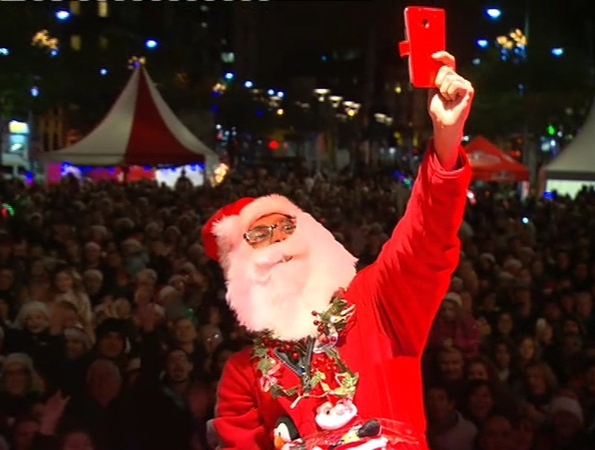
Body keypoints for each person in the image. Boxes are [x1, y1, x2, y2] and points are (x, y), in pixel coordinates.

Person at [201, 52, 474, 450]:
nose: (280, 251)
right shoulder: (244, 374)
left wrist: (446, 142)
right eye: (259, 245)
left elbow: (427, 237)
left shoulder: (377, 304)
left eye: (287, 232)